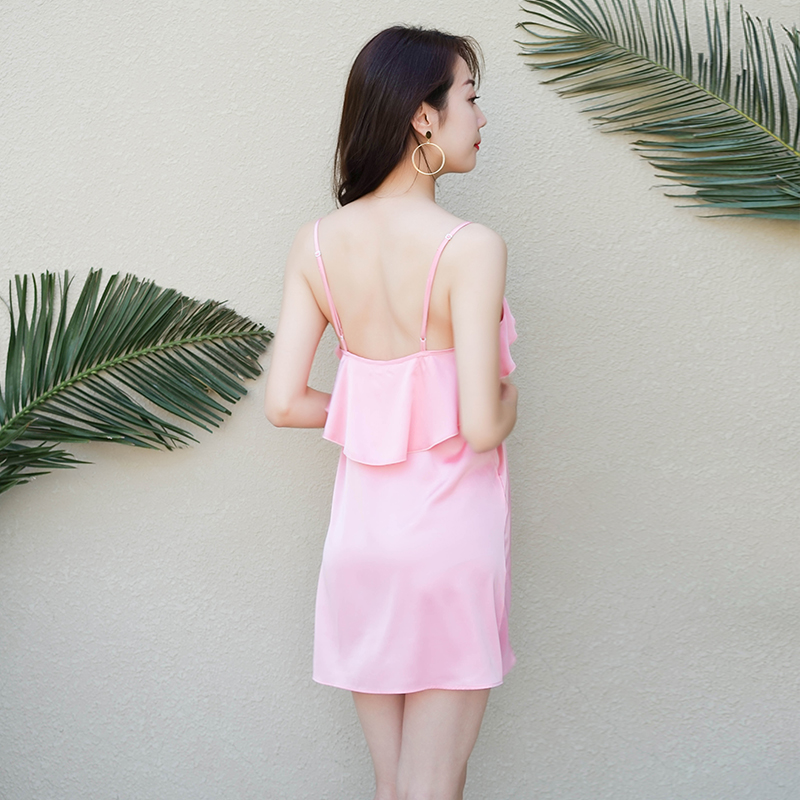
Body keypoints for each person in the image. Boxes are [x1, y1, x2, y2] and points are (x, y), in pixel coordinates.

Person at [264, 25, 518, 800]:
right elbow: (481, 424)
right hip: (447, 544)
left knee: (394, 787)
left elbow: (284, 402)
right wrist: (510, 399)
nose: (481, 117)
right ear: (423, 116)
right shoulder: (470, 247)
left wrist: (378, 404)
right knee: (433, 786)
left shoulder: (315, 244)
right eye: (470, 98)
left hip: (361, 546)